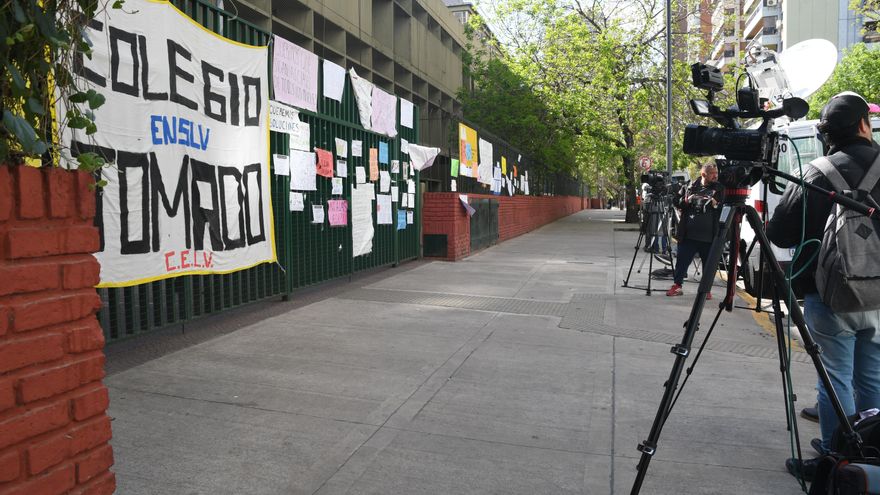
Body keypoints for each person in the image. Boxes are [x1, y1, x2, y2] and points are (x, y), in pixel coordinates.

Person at [766, 92, 880, 481]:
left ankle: (835, 461)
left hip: (830, 293)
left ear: (825, 134)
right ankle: (871, 458)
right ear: (865, 124)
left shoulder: (819, 171)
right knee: (872, 378)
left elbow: (779, 231)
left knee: (835, 377)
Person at [666, 163, 725, 297]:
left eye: (716, 173)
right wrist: (687, 200)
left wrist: (716, 204)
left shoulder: (720, 189)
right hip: (688, 235)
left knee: (708, 265)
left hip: (710, 236)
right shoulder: (690, 186)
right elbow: (676, 201)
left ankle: (706, 290)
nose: (715, 176)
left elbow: (726, 208)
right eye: (712, 173)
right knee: (681, 262)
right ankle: (677, 286)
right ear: (703, 174)